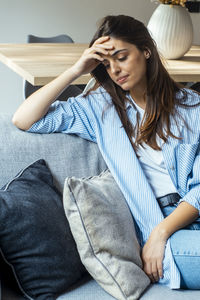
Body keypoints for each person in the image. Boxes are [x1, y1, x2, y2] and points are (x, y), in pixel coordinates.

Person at [12, 15, 200, 290]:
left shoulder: (192, 107)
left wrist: (162, 233)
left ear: (146, 51)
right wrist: (77, 69)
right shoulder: (101, 109)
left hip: (180, 221)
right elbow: (25, 119)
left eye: (121, 57)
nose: (115, 70)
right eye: (106, 64)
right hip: (157, 223)